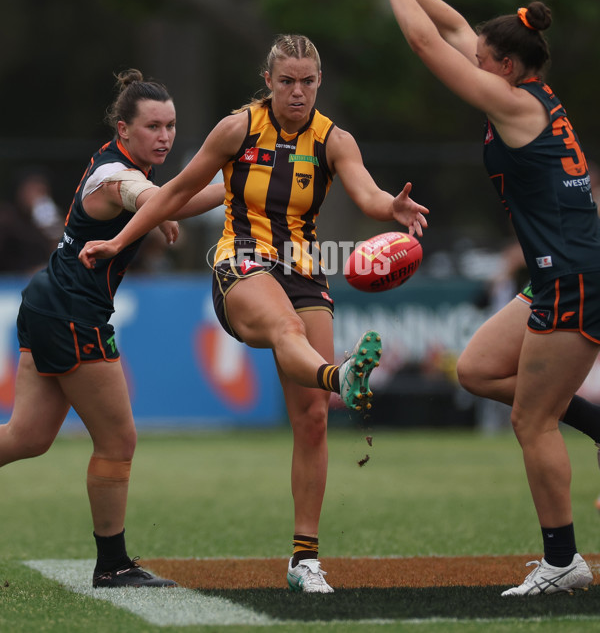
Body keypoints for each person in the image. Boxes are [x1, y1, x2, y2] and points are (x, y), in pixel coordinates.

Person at [79, 34, 430, 593]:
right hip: (241, 262)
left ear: (319, 83)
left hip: (305, 269)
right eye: (287, 81)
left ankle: (305, 560)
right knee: (288, 331)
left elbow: (365, 194)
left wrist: (391, 206)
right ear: (268, 81)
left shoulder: (334, 139)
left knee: (313, 420)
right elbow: (172, 193)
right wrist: (119, 241)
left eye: (308, 82)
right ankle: (338, 374)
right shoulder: (238, 128)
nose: (297, 92)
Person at [349, 0, 600, 596]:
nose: (476, 64)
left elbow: (429, 43)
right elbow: (455, 26)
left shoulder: (515, 105)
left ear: (510, 69)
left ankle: (561, 562)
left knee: (531, 420)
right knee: (482, 370)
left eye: (486, 60)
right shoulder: (523, 87)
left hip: (574, 276)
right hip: (561, 274)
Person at [0, 69, 224, 588]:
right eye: (152, 127)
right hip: (71, 312)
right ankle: (114, 566)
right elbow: (149, 197)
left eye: (170, 125)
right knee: (119, 441)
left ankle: (114, 564)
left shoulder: (124, 165)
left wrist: (171, 205)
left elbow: (159, 198)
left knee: (27, 436)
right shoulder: (114, 174)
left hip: (48, 302)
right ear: (124, 131)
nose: (164, 136)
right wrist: (216, 192)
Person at [0, 168, 64, 274]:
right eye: (32, 191)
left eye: (42, 192)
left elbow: (60, 257)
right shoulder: (6, 218)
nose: (37, 197)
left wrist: (54, 231)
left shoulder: (51, 220)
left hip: (36, 280)